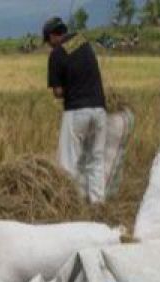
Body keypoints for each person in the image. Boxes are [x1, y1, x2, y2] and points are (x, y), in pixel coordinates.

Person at [44, 16, 108, 204]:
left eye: (48, 41)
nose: (49, 46)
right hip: (99, 109)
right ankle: (98, 204)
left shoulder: (56, 54)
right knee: (95, 160)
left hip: (77, 110)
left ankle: (70, 204)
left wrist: (66, 88)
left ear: (53, 36)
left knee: (68, 162)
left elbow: (58, 92)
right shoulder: (84, 43)